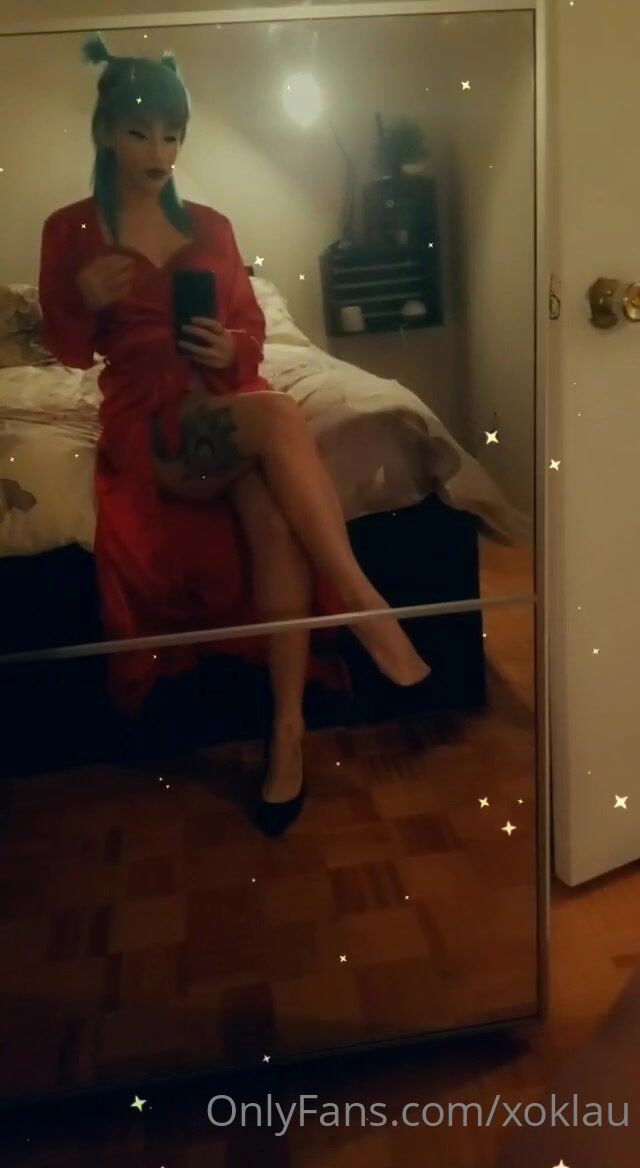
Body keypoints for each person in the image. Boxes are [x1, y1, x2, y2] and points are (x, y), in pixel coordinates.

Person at [39, 33, 430, 836]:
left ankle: (286, 733)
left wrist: (229, 348)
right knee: (279, 416)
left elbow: (248, 328)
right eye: (140, 133)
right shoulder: (71, 230)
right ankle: (363, 603)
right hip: (149, 419)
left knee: (271, 509)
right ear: (105, 132)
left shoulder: (213, 226)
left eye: (173, 135)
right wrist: (81, 299)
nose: (159, 152)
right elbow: (68, 350)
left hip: (224, 400)